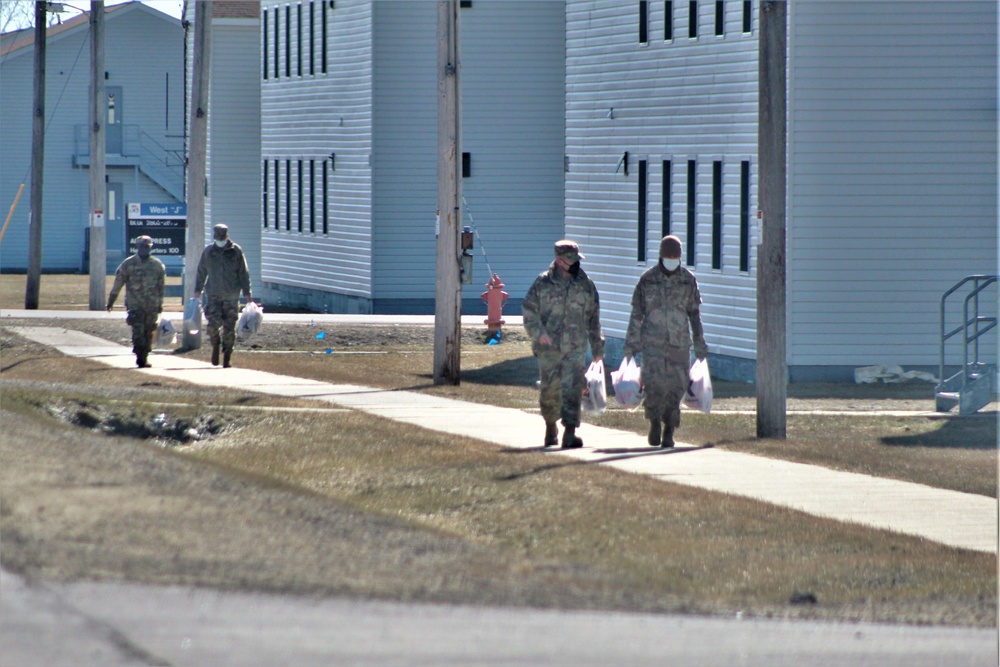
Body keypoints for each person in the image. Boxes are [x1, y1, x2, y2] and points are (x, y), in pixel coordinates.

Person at [623, 235, 708, 448]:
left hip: (679, 343)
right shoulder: (647, 279)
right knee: (654, 385)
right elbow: (636, 314)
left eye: (675, 256)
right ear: (661, 256)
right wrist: (631, 345)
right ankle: (654, 422)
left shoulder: (688, 280)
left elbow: (694, 314)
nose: (672, 259)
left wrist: (699, 342)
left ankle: (669, 429)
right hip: (652, 343)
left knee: (676, 387)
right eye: (668, 256)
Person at [522, 240, 605, 449]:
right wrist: (539, 333)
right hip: (549, 350)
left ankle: (570, 432)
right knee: (550, 389)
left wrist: (597, 347)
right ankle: (551, 426)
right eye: (571, 259)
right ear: (560, 260)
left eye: (577, 258)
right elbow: (529, 311)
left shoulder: (585, 285)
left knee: (573, 388)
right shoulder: (543, 283)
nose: (576, 263)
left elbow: (594, 318)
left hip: (575, 347)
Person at [194, 224, 253, 368]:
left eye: (222, 236)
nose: (220, 239)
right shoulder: (208, 252)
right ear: (214, 237)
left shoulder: (236, 251)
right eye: (218, 237)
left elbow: (243, 273)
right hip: (213, 295)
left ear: (227, 236)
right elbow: (201, 272)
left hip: (232, 296)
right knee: (213, 326)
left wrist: (248, 294)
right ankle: (215, 346)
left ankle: (227, 356)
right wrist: (197, 291)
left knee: (229, 327)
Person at [106, 235, 166, 368]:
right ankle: (140, 355)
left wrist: (160, 304)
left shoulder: (157, 265)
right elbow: (118, 283)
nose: (145, 249)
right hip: (135, 304)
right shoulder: (128, 264)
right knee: (138, 331)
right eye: (142, 247)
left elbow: (161, 287)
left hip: (151, 305)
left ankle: (145, 355)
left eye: (147, 247)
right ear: (137, 247)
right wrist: (111, 300)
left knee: (149, 331)